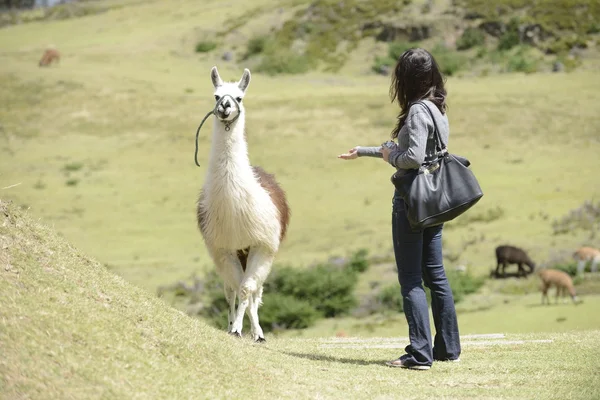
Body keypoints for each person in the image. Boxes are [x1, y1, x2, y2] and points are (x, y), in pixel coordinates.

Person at [338, 48, 461, 370]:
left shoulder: (418, 111)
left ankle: (419, 354)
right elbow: (415, 150)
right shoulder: (437, 106)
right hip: (434, 199)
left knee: (410, 279)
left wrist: (389, 157)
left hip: (411, 202)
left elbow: (411, 158)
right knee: (435, 274)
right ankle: (447, 348)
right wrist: (365, 151)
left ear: (405, 78)